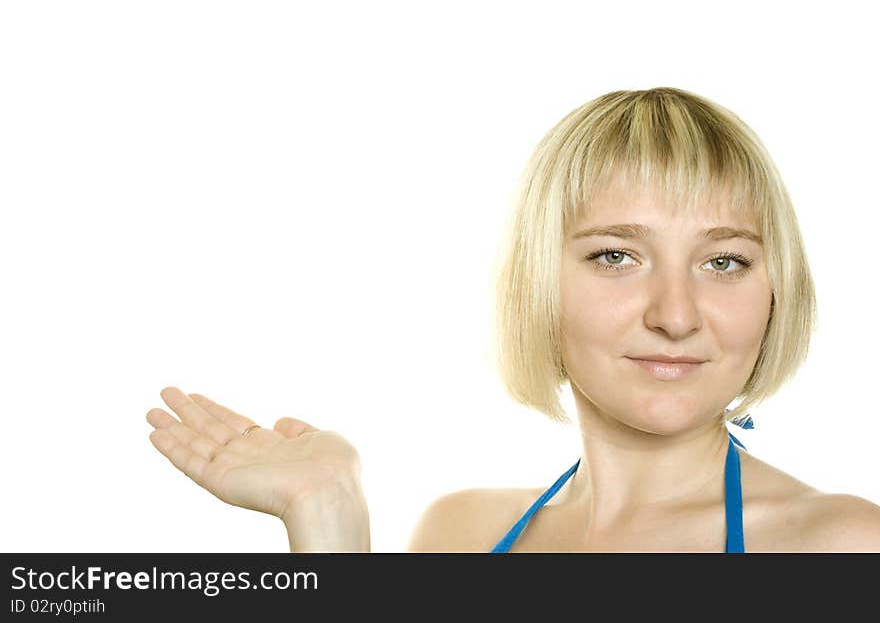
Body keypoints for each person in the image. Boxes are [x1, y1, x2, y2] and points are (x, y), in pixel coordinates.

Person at [145, 87, 880, 552]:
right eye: (617, 255)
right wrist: (327, 519)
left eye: (723, 262)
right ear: (537, 284)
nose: (676, 314)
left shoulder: (842, 545)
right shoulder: (458, 535)